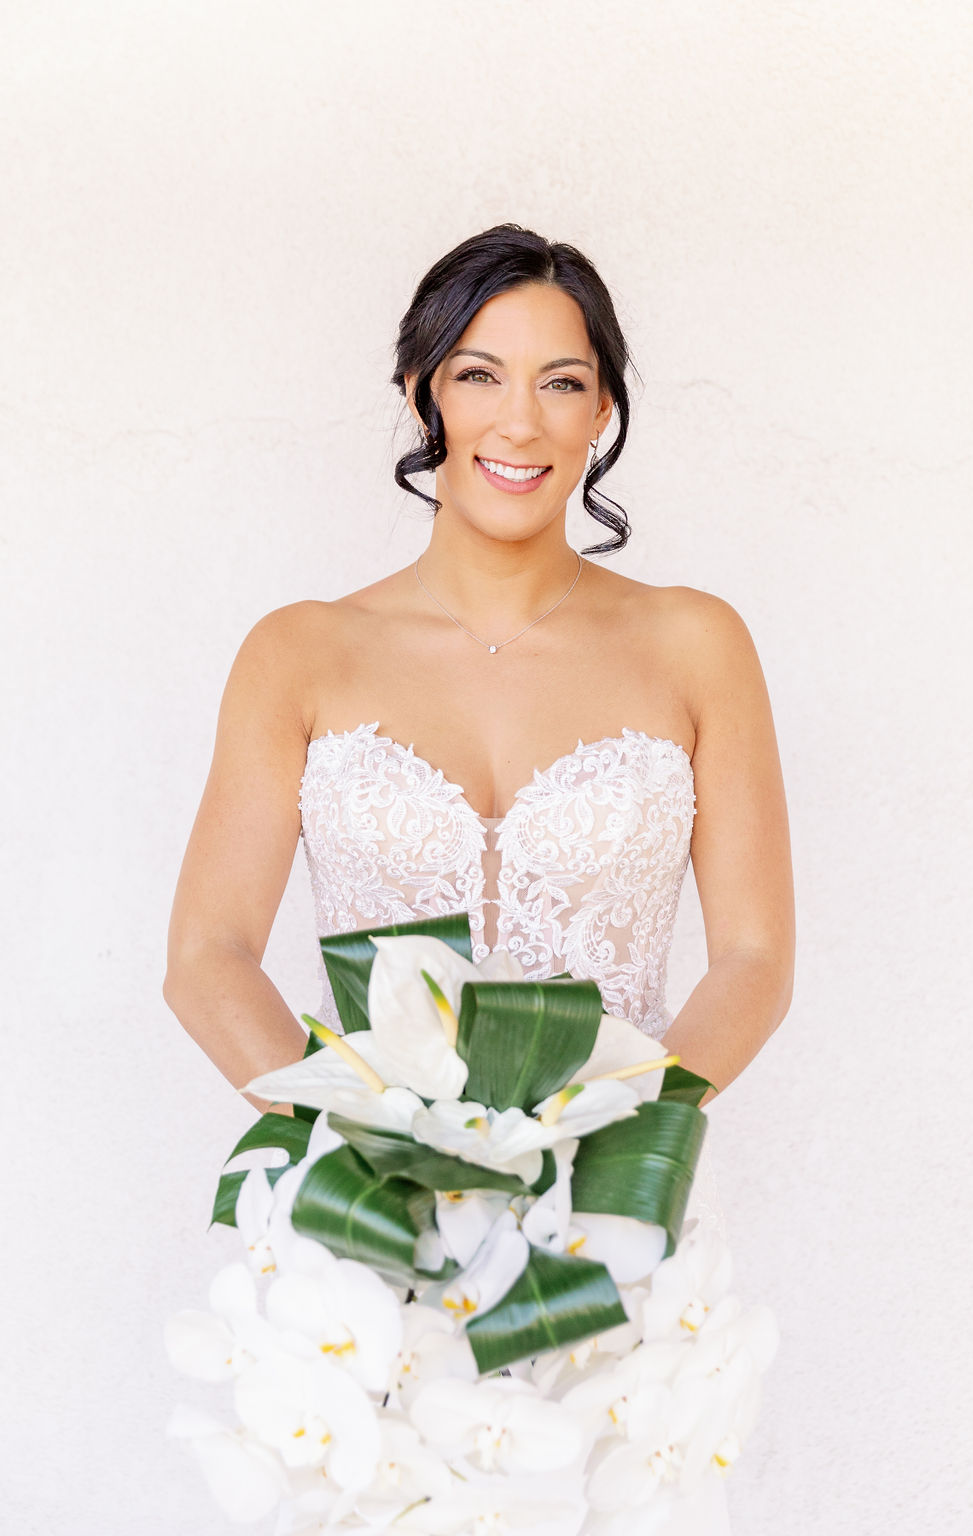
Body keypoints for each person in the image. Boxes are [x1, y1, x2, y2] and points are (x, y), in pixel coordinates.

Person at [164, 222, 794, 1533]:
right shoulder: (301, 653)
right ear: (420, 394)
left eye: (564, 380)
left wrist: (619, 1142)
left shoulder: (697, 643)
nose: (523, 420)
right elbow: (207, 953)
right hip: (367, 1222)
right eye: (479, 373)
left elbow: (753, 960)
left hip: (620, 1213)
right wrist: (344, 1146)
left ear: (606, 407)